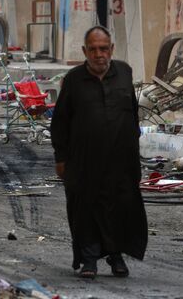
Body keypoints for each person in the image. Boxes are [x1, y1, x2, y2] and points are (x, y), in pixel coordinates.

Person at [50, 26, 147, 279]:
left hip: (121, 161)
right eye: (92, 49)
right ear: (85, 51)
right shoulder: (73, 80)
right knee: (85, 208)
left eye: (103, 48)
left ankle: (117, 257)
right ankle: (89, 259)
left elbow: (132, 115)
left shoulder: (124, 73)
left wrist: (135, 155)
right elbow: (59, 122)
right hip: (83, 161)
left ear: (111, 49)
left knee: (120, 207)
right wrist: (60, 158)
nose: (98, 54)